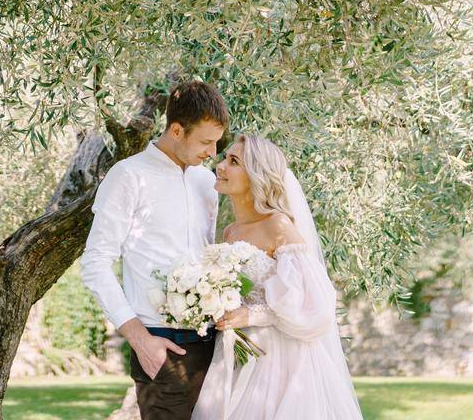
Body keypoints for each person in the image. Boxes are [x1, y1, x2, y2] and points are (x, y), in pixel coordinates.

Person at [81, 79, 230, 420]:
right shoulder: (128, 176)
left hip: (214, 345)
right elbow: (95, 263)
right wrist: (139, 338)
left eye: (216, 143)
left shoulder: (206, 183)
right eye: (205, 142)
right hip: (160, 345)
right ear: (177, 130)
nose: (212, 153)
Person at [192, 132, 363, 420]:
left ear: (257, 176)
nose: (220, 166)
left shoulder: (278, 226)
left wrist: (253, 315)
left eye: (233, 161)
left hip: (279, 358)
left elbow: (315, 305)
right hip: (237, 351)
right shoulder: (230, 232)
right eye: (225, 158)